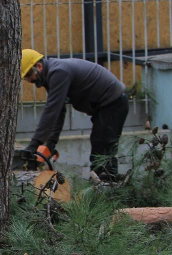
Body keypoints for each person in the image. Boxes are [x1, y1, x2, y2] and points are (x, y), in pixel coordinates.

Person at [20, 49, 129, 180]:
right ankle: (105, 186)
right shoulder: (52, 75)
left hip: (113, 104)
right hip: (105, 106)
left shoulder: (59, 72)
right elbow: (59, 112)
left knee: (102, 149)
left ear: (38, 66)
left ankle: (108, 188)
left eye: (29, 75)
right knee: (100, 147)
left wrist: (34, 143)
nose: (29, 80)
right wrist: (50, 144)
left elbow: (52, 111)